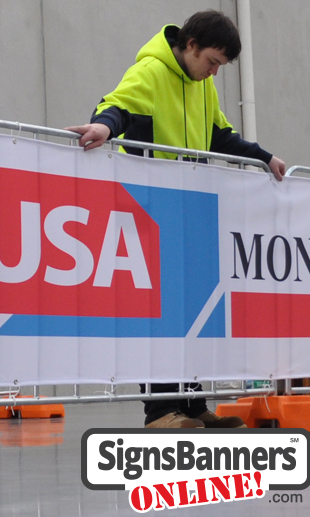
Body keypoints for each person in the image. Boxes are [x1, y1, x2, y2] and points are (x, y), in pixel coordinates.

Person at [67, 10, 285, 429]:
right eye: (212, 62)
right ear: (190, 46)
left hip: (191, 217)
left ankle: (191, 404)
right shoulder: (150, 72)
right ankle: (160, 412)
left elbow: (221, 136)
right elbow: (116, 108)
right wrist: (103, 127)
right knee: (160, 316)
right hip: (152, 213)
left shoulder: (203, 89)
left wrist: (263, 157)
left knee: (192, 315)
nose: (214, 73)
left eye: (221, 67)